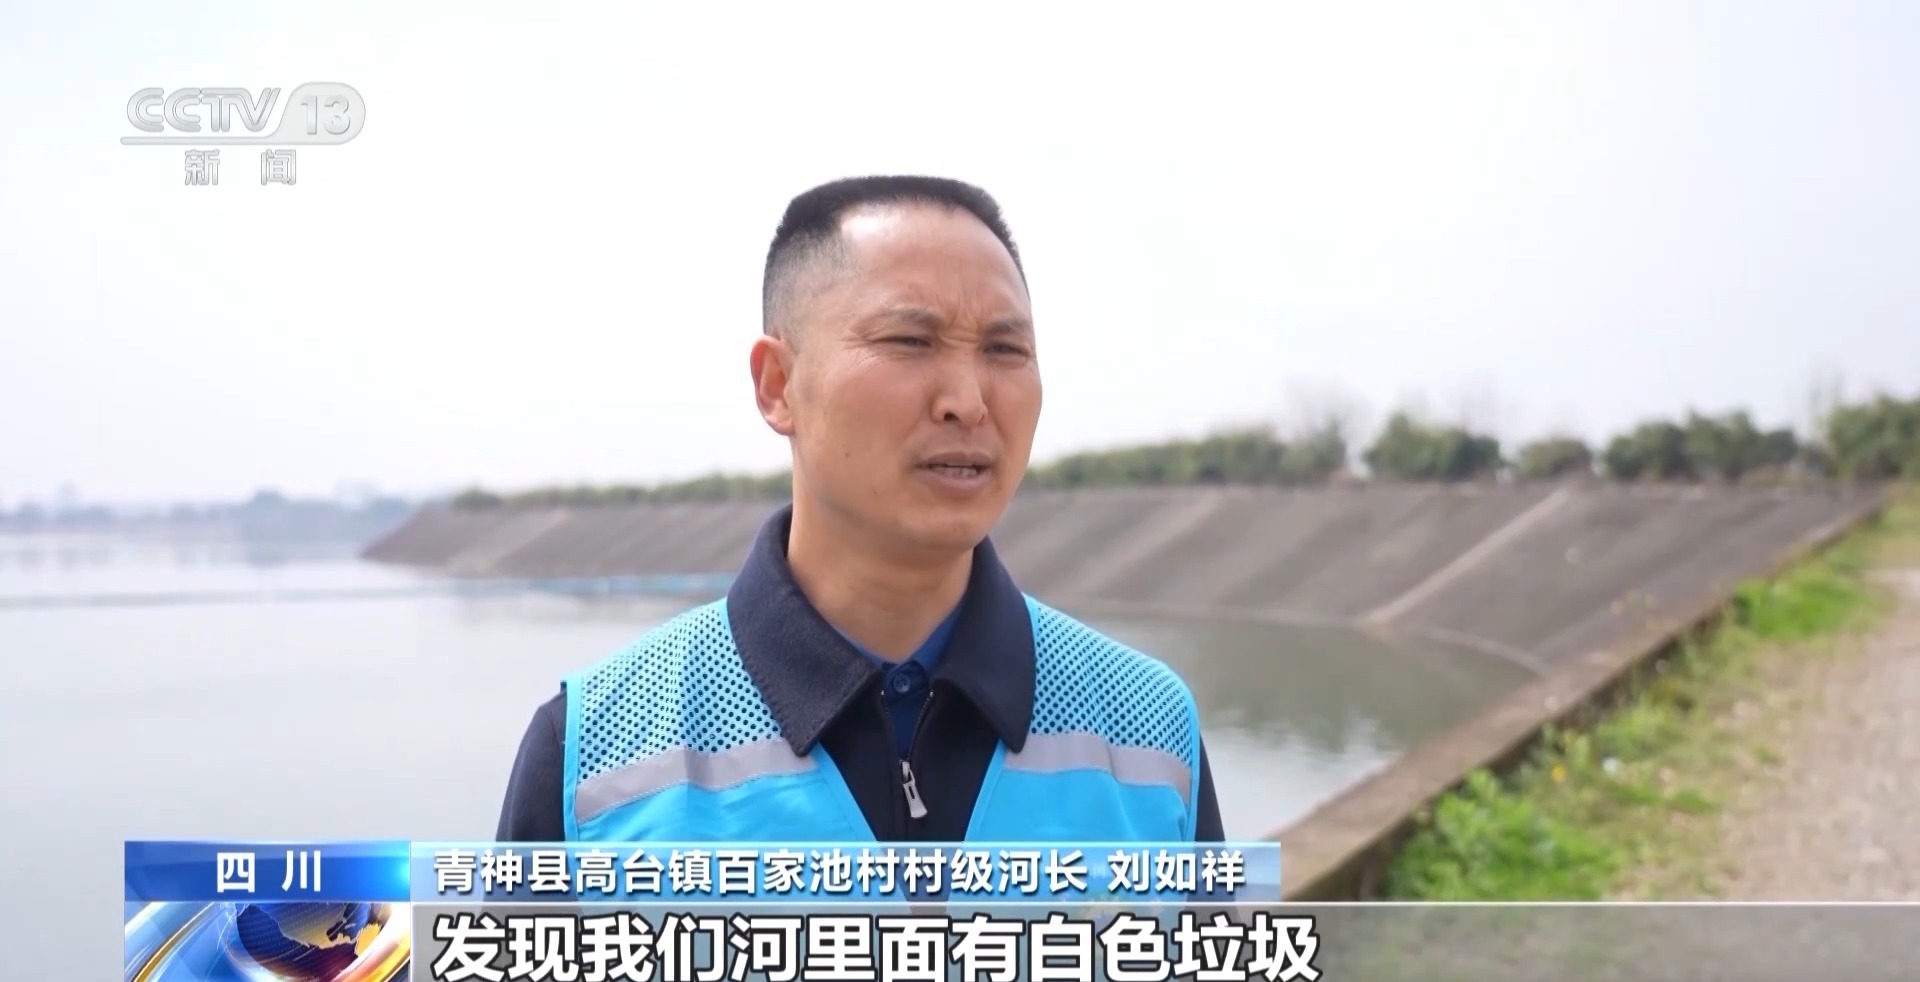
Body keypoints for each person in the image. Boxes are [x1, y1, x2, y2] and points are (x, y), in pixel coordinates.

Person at [496, 175, 1223, 844]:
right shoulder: (593, 758)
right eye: (910, 342)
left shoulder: (1150, 731)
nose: (968, 402)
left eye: (1005, 349)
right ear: (778, 385)